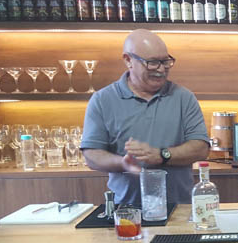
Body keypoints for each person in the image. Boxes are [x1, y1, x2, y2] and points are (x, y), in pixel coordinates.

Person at [81, 29, 210, 205]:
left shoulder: (184, 97)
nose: (161, 69)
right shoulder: (102, 100)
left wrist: (162, 155)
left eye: (165, 61)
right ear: (128, 60)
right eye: (152, 63)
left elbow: (201, 148)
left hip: (180, 209)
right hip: (126, 210)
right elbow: (91, 155)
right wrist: (122, 163)